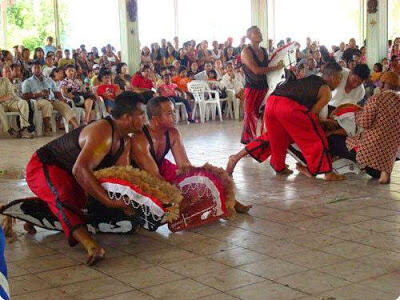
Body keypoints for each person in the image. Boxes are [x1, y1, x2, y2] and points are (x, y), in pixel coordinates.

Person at [24, 92, 146, 265]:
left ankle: (37, 206)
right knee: (64, 195)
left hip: (69, 175)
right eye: (142, 115)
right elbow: (80, 169)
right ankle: (90, 245)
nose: (145, 119)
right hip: (43, 167)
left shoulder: (125, 142)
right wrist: (109, 201)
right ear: (127, 117)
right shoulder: (102, 131)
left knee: (84, 203)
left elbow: (120, 178)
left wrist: (137, 200)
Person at [131, 96, 251, 213]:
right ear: (155, 119)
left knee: (202, 177)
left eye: (174, 111)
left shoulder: (173, 133)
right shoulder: (140, 139)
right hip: (142, 174)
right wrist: (180, 197)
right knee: (170, 195)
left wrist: (198, 182)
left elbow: (185, 167)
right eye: (169, 113)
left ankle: (230, 201)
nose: (174, 116)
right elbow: (154, 177)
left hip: (161, 166)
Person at [226, 62, 345, 181]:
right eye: (340, 78)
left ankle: (237, 158)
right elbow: (312, 116)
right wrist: (325, 122)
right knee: (315, 136)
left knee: (275, 138)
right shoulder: (326, 91)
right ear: (333, 77)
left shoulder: (311, 79)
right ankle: (328, 173)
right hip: (288, 107)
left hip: (272, 102)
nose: (340, 83)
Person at [328, 72, 400, 184]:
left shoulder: (376, 99)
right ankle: (383, 171)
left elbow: (364, 123)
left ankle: (330, 170)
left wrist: (356, 114)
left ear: (382, 84)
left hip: (368, 152)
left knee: (333, 139)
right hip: (388, 157)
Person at [240, 26, 284, 144]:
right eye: (256, 32)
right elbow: (256, 70)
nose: (260, 34)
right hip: (252, 88)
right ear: (249, 36)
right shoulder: (246, 51)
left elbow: (267, 68)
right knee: (250, 115)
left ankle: (265, 141)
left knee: (266, 115)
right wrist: (276, 67)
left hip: (265, 87)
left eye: (260, 31)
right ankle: (249, 143)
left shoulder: (264, 50)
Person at [0, 66, 32, 138]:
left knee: (23, 103)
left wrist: (3, 98)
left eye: (9, 71)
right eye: (6, 72)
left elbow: (10, 95)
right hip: (1, 105)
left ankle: (24, 129)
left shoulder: (5, 80)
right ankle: (9, 130)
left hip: (11, 102)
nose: (8, 73)